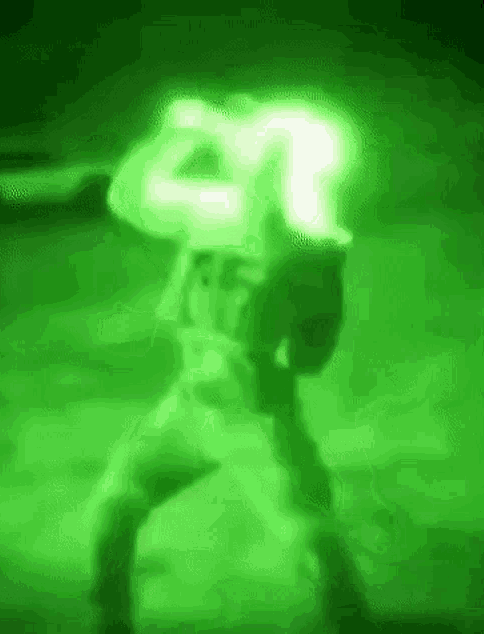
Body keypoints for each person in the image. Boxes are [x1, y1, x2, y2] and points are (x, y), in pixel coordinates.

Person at [88, 203, 376, 633]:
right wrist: (327, 272)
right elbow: (308, 358)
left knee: (115, 505)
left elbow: (126, 195)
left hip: (220, 412)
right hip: (227, 412)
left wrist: (179, 139)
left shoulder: (209, 226)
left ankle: (109, 621)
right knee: (310, 534)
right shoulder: (301, 255)